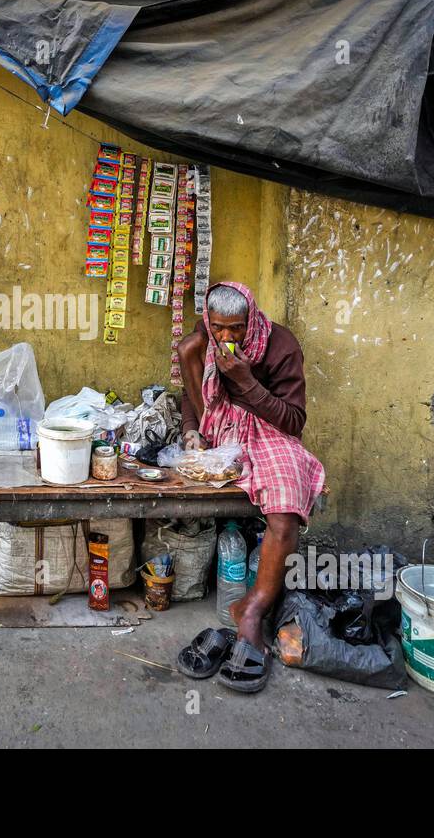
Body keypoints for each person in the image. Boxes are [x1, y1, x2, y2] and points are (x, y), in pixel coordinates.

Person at [175, 281, 326, 692]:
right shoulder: (203, 338)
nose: (226, 338)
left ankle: (253, 610)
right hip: (220, 429)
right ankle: (249, 612)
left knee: (286, 501)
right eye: (219, 328)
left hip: (271, 433)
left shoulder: (281, 346)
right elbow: (192, 397)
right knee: (188, 348)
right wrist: (192, 431)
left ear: (252, 319)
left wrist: (246, 381)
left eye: (236, 329)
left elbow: (293, 422)